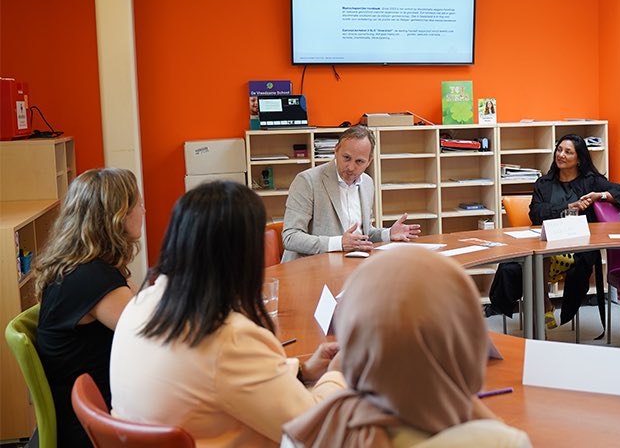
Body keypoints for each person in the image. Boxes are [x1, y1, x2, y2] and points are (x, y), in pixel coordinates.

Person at [110, 182, 345, 448]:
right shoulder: (227, 337)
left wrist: (302, 371)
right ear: (243, 254)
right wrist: (337, 375)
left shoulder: (141, 303)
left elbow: (224, 380)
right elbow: (313, 429)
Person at [281, 247, 530, 448]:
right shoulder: (499, 442)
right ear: (467, 339)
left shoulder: (312, 429)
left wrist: (334, 376)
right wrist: (461, 399)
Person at [33, 169, 144, 447]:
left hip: (86, 409)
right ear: (117, 217)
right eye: (138, 204)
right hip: (91, 425)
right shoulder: (92, 279)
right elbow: (150, 335)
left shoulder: (83, 266)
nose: (144, 210)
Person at [488, 134, 620, 330]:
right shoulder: (544, 183)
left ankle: (543, 310)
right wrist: (570, 205)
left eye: (568, 152)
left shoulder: (590, 182)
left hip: (577, 249)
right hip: (546, 246)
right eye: (559, 150)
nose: (561, 155)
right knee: (516, 265)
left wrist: (599, 196)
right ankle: (542, 307)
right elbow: (536, 214)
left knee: (541, 261)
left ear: (579, 158)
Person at [282, 126, 421, 260]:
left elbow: (363, 233)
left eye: (359, 161)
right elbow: (291, 237)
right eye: (346, 158)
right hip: (309, 269)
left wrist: (388, 234)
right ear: (336, 150)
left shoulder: (367, 183)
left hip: (350, 264)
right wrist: (339, 243)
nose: (351, 167)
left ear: (369, 162)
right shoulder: (308, 181)